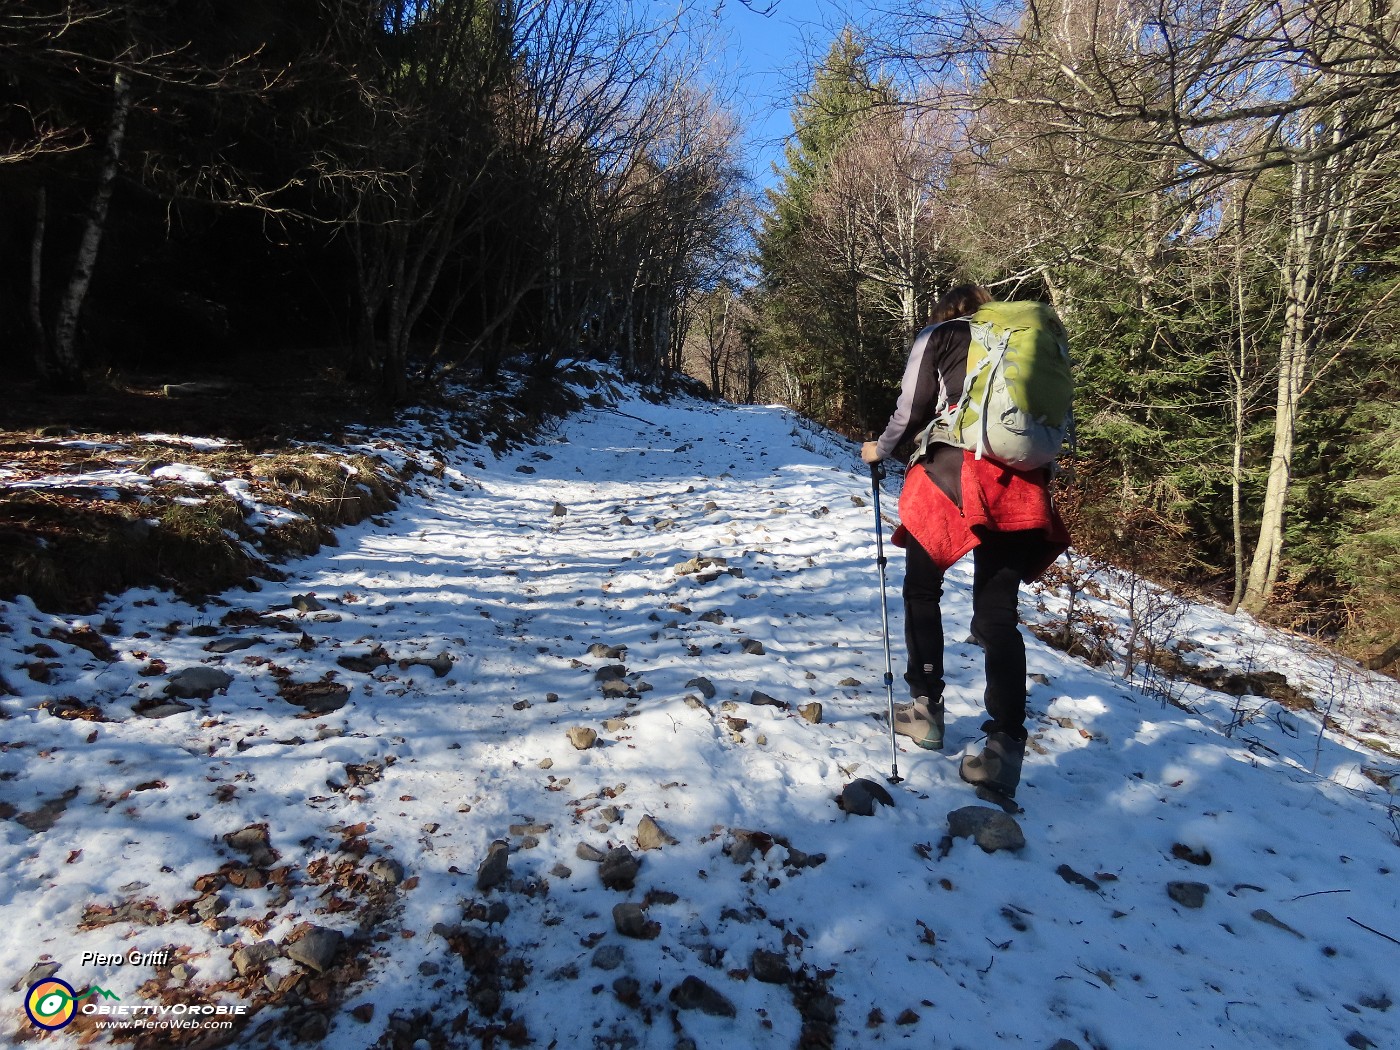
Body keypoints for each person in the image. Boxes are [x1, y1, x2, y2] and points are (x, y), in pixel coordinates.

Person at [860, 284, 1070, 799]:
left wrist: (878, 449)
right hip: (1017, 485)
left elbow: (912, 409)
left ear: (944, 311)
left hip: (948, 476)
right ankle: (1004, 748)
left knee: (921, 592)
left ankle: (925, 710)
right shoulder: (1021, 345)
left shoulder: (941, 335)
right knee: (996, 616)